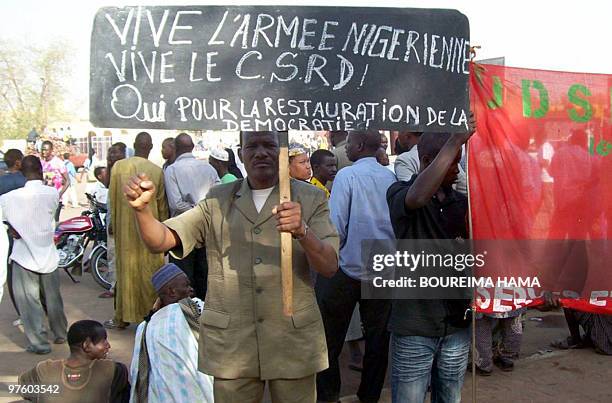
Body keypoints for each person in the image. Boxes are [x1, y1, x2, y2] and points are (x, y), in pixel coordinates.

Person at [122, 130, 338, 402]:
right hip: (233, 343)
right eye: (252, 146)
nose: (261, 152)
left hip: (292, 338)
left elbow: (329, 265)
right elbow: (162, 240)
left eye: (269, 145)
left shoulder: (310, 198)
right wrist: (142, 211)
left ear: (282, 153)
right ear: (240, 153)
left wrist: (303, 232)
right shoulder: (217, 199)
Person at [386, 127, 475, 402]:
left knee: (449, 397)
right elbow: (417, 198)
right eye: (452, 163)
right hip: (416, 326)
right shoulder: (400, 192)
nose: (458, 172)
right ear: (427, 161)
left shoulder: (462, 204)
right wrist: (456, 139)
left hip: (457, 325)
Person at [317, 131, 396, 403]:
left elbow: (336, 226)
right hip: (383, 270)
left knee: (329, 337)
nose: (345, 148)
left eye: (349, 143)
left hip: (348, 268)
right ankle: (369, 395)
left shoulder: (347, 177)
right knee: (377, 340)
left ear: (360, 145)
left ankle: (329, 395)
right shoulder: (390, 176)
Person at [0, 156, 68, 354]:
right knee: (54, 299)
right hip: (48, 254)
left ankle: (39, 343)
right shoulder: (52, 193)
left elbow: (5, 222)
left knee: (29, 303)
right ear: (40, 169)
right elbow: (50, 216)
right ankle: (60, 333)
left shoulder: (8, 198)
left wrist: (13, 227)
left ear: (22, 172)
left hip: (24, 255)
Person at [105, 132, 168, 329]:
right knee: (150, 274)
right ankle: (150, 318)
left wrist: (113, 223)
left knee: (124, 274)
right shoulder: (157, 171)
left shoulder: (118, 167)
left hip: (124, 232)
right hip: (150, 232)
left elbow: (112, 198)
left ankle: (121, 318)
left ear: (134, 145)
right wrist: (164, 231)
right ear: (150, 148)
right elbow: (162, 205)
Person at [130, 263, 213, 402]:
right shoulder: (195, 308)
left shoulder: (144, 327)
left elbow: (137, 372)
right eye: (186, 285)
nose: (191, 289)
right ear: (172, 291)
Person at [19, 320, 130, 402]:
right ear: (86, 345)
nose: (108, 345)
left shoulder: (44, 369)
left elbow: (24, 389)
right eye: (103, 341)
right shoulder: (112, 370)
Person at [164, 133, 219, 299]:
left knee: (183, 278)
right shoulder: (208, 168)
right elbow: (219, 197)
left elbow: (176, 204)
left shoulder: (172, 170)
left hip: (182, 231)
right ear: (192, 147)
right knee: (204, 276)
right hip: (207, 229)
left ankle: (188, 318)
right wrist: (203, 211)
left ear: (176, 148)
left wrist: (196, 211)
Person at [394, 131, 468, 195]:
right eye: (450, 164)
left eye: (457, 163)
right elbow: (415, 196)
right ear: (426, 161)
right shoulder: (398, 191)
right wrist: (456, 141)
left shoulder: (458, 201)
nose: (457, 170)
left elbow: (466, 188)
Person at [0, 149, 27, 321]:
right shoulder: (27, 180)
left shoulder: (2, 181)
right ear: (18, 162)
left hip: (7, 231)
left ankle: (21, 313)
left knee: (11, 274)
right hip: (27, 231)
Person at [98, 143, 126, 299]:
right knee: (113, 254)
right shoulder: (115, 169)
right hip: (113, 215)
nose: (111, 155)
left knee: (116, 253)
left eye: (115, 153)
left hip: (118, 218)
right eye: (110, 153)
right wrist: (109, 164)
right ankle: (115, 286)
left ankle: (117, 288)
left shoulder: (124, 170)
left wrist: (113, 221)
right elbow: (107, 184)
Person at [40, 140, 69, 220]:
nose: (43, 152)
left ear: (51, 150)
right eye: (42, 149)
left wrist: (59, 195)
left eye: (46, 149)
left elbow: (67, 181)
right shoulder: (41, 163)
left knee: (54, 222)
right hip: (43, 197)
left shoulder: (58, 162)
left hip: (55, 199)